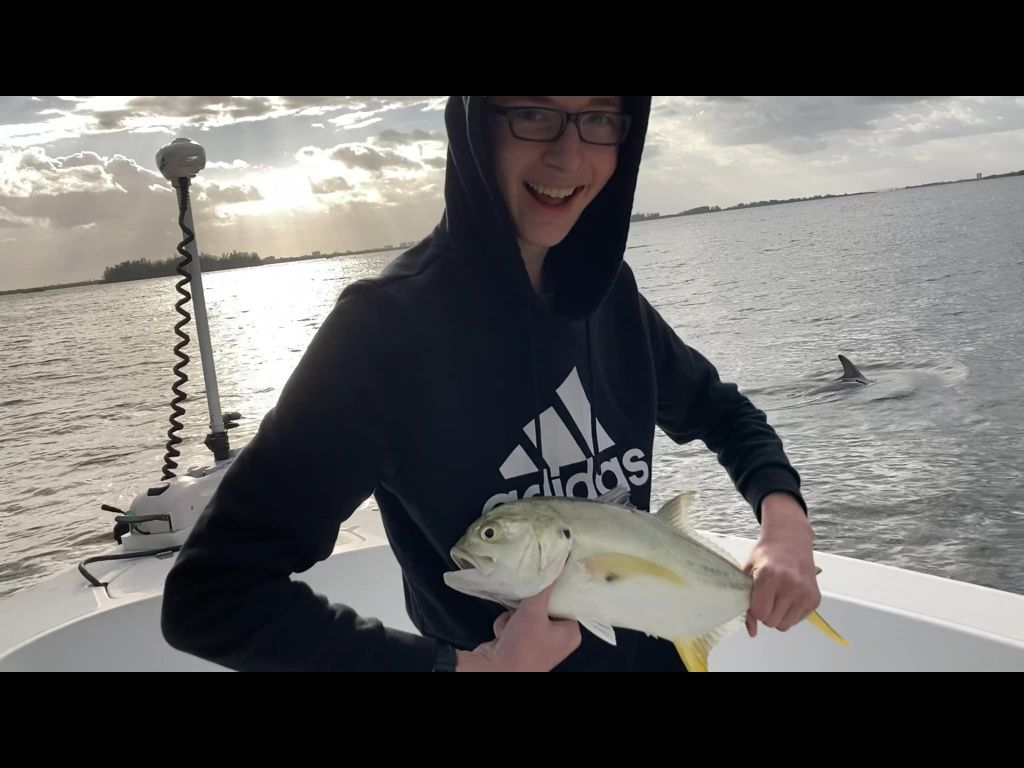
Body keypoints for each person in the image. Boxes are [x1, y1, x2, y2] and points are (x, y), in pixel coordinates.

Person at [161, 96, 821, 672]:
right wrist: (464, 670)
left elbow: (721, 411)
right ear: (476, 123)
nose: (568, 156)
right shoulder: (383, 333)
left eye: (598, 118)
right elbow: (211, 593)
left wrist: (785, 522)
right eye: (534, 114)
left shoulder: (609, 295)